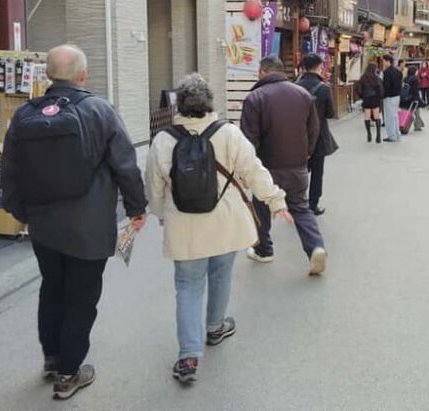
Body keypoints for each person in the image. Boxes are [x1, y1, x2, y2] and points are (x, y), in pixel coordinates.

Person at [1, 44, 147, 401]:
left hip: (43, 225)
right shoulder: (100, 110)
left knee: (52, 288)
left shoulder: (25, 115)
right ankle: (69, 373)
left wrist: (22, 212)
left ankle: (53, 358)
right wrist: (136, 208)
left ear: (49, 75)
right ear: (83, 75)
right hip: (89, 224)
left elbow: (9, 171)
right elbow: (125, 165)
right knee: (81, 296)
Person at [145, 73, 291, 384]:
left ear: (179, 105)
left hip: (184, 225)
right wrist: (276, 201)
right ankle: (215, 327)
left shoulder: (163, 139)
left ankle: (188, 356)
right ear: (210, 102)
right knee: (221, 273)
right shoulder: (228, 133)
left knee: (188, 286)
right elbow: (254, 171)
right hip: (226, 223)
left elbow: (153, 186)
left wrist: (160, 213)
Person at [240, 55, 327, 275]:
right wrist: (305, 154)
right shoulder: (303, 94)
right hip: (297, 164)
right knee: (300, 207)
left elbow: (248, 139)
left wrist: (247, 170)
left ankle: (264, 249)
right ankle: (315, 247)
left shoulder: (255, 98)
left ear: (263, 72)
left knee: (260, 206)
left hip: (267, 165)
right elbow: (313, 131)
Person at [296, 53, 338, 216]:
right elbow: (330, 113)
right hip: (319, 137)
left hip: (298, 136)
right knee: (317, 172)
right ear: (319, 67)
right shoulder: (324, 88)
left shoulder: (294, 86)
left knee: (299, 171)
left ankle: (297, 201)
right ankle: (313, 204)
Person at [357, 63, 384, 143]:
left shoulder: (363, 78)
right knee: (377, 116)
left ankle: (369, 134)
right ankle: (378, 135)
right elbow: (381, 89)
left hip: (366, 99)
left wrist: (362, 96)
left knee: (367, 117)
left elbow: (359, 89)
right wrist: (380, 97)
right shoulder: (377, 78)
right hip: (375, 99)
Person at [381, 54, 403, 142]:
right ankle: (397, 134)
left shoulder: (386, 73)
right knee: (395, 116)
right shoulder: (398, 72)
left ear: (387, 61)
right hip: (397, 96)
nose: (383, 63)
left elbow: (386, 86)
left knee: (389, 117)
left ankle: (392, 136)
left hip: (389, 97)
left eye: (383, 61)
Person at [400, 66, 425, 133]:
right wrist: (418, 99)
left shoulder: (405, 78)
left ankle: (404, 125)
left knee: (407, 113)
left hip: (405, 98)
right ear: (414, 72)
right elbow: (415, 91)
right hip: (413, 98)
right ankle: (417, 126)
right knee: (416, 112)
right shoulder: (415, 79)